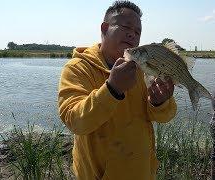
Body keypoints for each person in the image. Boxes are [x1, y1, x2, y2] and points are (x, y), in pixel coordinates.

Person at [57, 1, 177, 179]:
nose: (132, 34)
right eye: (126, 27)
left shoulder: (142, 68)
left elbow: (165, 116)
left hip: (142, 173)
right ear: (105, 28)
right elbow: (75, 122)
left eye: (137, 32)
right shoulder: (78, 68)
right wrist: (112, 89)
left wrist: (159, 103)